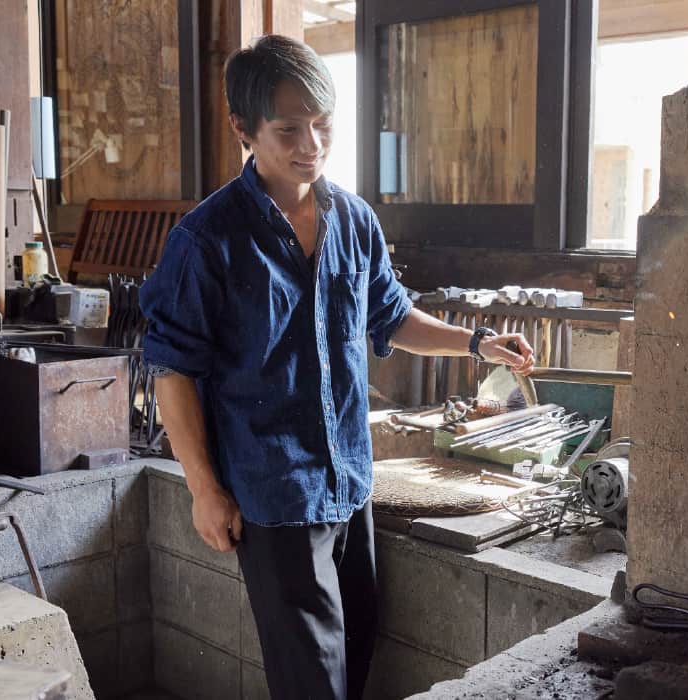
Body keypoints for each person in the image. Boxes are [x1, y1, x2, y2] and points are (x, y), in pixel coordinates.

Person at [140, 34, 535, 700]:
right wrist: (204, 490)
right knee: (311, 678)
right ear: (244, 127)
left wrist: (478, 344)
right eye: (289, 129)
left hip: (350, 479)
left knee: (354, 652)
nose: (311, 145)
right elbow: (173, 372)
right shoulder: (207, 239)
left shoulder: (353, 218)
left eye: (323, 126)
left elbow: (392, 317)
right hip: (274, 490)